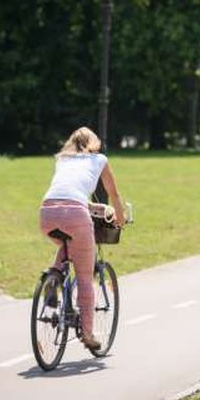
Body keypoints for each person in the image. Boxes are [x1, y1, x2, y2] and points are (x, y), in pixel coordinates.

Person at [39, 126, 125, 350]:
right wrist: (121, 218)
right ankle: (87, 334)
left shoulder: (62, 159)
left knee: (68, 243)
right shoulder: (99, 159)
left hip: (47, 212)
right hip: (75, 215)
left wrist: (98, 207)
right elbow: (114, 193)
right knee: (85, 277)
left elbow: (68, 193)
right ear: (93, 142)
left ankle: (53, 277)